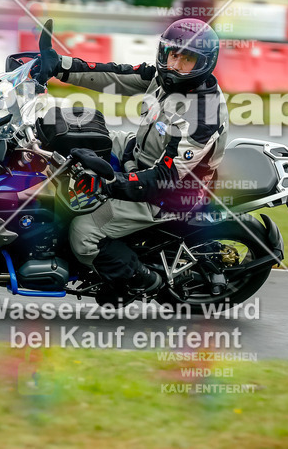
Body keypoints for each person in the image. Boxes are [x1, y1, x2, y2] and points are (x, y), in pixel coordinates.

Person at [35, 18, 229, 303]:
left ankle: (143, 281)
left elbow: (164, 179)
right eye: (172, 54)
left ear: (203, 64)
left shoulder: (202, 116)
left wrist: (110, 183)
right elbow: (116, 75)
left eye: (186, 59)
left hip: (171, 194)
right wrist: (59, 67)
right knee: (75, 136)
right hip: (139, 154)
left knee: (84, 233)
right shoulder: (163, 78)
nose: (174, 64)